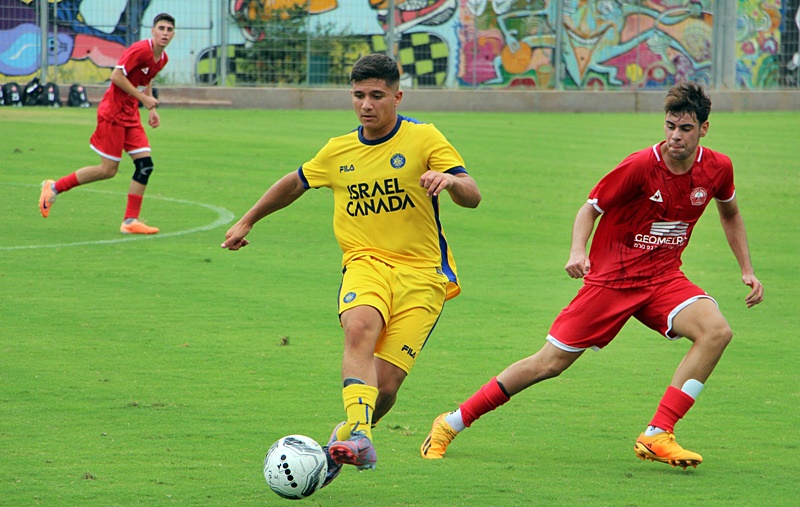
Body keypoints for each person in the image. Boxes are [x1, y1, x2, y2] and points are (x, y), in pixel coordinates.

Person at [421, 82, 763, 470]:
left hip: (664, 279)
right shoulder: (640, 166)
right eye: (670, 126)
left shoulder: (718, 168)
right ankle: (451, 422)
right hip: (612, 281)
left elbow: (730, 213)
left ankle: (657, 433)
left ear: (704, 129)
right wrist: (577, 252)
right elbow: (590, 208)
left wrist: (747, 270)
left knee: (716, 331)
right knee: (548, 364)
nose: (675, 136)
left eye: (685, 129)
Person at [221, 53, 481, 485]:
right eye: (358, 95)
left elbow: (472, 194)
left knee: (387, 387)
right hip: (365, 262)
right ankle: (360, 434)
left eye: (376, 95)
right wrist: (248, 220)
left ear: (397, 97)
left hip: (422, 274)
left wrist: (451, 181)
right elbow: (296, 182)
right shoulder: (338, 150)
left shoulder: (424, 138)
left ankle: (342, 441)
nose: (366, 105)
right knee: (358, 327)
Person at [38, 13, 176, 235]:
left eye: (169, 30)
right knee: (107, 170)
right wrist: (143, 99)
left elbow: (147, 78)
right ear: (153, 31)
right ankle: (54, 187)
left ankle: (130, 221)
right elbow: (116, 76)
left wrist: (151, 108)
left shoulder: (163, 58)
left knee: (145, 165)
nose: (165, 33)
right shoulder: (140, 49)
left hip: (131, 115)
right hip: (112, 113)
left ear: (173, 34)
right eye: (161, 28)